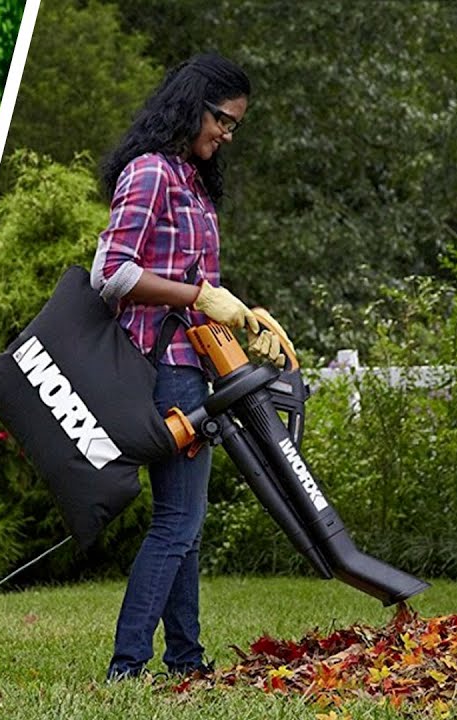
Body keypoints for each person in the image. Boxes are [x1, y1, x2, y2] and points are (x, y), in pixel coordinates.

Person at [90, 53, 287, 681]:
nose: (226, 134)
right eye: (222, 121)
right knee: (178, 521)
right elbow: (110, 275)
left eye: (234, 126)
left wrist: (240, 312)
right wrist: (198, 296)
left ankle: (186, 659)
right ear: (191, 105)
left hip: (193, 364)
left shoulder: (191, 179)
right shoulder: (150, 173)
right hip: (160, 368)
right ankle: (128, 665)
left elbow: (191, 279)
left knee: (186, 525)